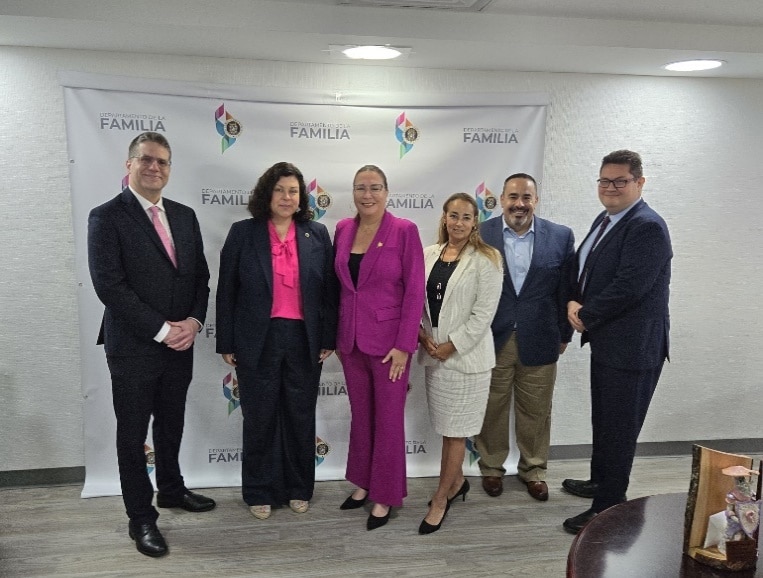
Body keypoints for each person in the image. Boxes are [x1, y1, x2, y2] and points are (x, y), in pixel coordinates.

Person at [88, 132, 214, 558]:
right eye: (146, 160)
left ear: (169, 168)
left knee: (172, 422)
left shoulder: (184, 215)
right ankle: (140, 517)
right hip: (134, 346)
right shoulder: (106, 217)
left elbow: (200, 278)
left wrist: (194, 322)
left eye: (162, 161)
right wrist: (163, 329)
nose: (154, 167)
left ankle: (173, 490)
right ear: (129, 165)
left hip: (181, 344)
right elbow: (110, 286)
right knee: (132, 435)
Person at [216, 162, 337, 521]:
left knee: (300, 417)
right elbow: (226, 291)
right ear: (267, 194)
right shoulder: (243, 233)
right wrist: (226, 340)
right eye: (280, 190)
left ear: (301, 198)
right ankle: (258, 490)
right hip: (258, 338)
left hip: (304, 339)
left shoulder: (316, 234)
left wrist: (328, 336)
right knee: (259, 417)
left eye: (294, 191)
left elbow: (330, 292)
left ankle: (300, 488)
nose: (287, 197)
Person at [563, 149, 672, 534]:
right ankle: (600, 480)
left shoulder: (647, 226)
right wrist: (575, 299)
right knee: (604, 420)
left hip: (633, 349)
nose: (610, 188)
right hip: (609, 343)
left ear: (639, 183)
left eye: (619, 181)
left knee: (619, 428)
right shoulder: (608, 219)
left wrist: (583, 314)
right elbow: (590, 268)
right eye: (604, 181)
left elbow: (630, 287)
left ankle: (607, 505)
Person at [334, 165, 425, 531]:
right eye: (360, 188)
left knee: (388, 422)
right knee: (362, 418)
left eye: (374, 188)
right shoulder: (342, 229)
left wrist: (405, 345)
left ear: (387, 192)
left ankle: (386, 496)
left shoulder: (404, 230)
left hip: (390, 347)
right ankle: (363, 483)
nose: (366, 195)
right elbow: (340, 287)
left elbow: (415, 291)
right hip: (351, 342)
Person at [474, 173, 575, 502]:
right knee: (493, 407)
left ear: (536, 200)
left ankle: (533, 470)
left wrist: (565, 333)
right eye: (513, 197)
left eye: (526, 197)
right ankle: (491, 467)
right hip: (492, 337)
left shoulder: (560, 236)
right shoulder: (481, 232)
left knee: (536, 410)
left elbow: (566, 290)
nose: (520, 204)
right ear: (501, 199)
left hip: (542, 337)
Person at [417, 193, 503, 534]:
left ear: (475, 222)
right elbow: (416, 302)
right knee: (445, 429)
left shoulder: (487, 258)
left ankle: (441, 498)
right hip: (434, 355)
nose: (459, 223)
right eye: (453, 215)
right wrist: (424, 337)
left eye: (466, 217)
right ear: (444, 217)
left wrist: (451, 346)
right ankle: (457, 483)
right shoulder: (427, 254)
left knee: (455, 435)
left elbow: (484, 314)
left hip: (467, 359)